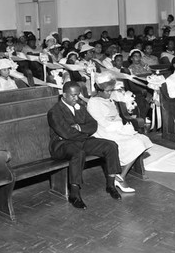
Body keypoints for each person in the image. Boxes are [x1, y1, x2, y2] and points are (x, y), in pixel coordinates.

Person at [47, 81, 122, 209]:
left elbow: (93, 125)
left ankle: (111, 185)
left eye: (78, 95)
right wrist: (84, 133)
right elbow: (67, 133)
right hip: (61, 145)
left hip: (80, 141)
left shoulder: (80, 106)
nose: (76, 98)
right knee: (78, 153)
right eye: (73, 95)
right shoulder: (55, 111)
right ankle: (74, 194)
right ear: (64, 95)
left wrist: (79, 128)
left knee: (111, 146)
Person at [87, 73, 153, 193]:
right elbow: (103, 123)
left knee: (142, 139)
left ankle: (121, 175)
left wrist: (123, 128)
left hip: (116, 129)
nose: (109, 93)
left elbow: (117, 118)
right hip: (103, 132)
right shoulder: (93, 102)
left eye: (111, 90)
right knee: (136, 143)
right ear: (99, 90)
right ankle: (120, 177)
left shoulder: (109, 99)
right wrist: (120, 127)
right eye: (107, 91)